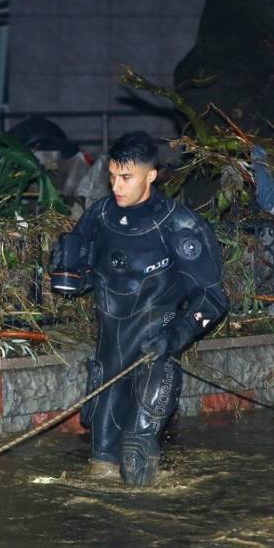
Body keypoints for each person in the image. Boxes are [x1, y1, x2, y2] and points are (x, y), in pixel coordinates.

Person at [49, 131, 228, 485]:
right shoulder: (99, 217)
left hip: (153, 355)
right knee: (101, 465)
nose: (116, 185)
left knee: (135, 458)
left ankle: (149, 532)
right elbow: (85, 275)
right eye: (112, 176)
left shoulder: (179, 227)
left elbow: (212, 298)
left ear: (151, 175)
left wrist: (176, 335)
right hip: (109, 361)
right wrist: (67, 271)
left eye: (126, 178)